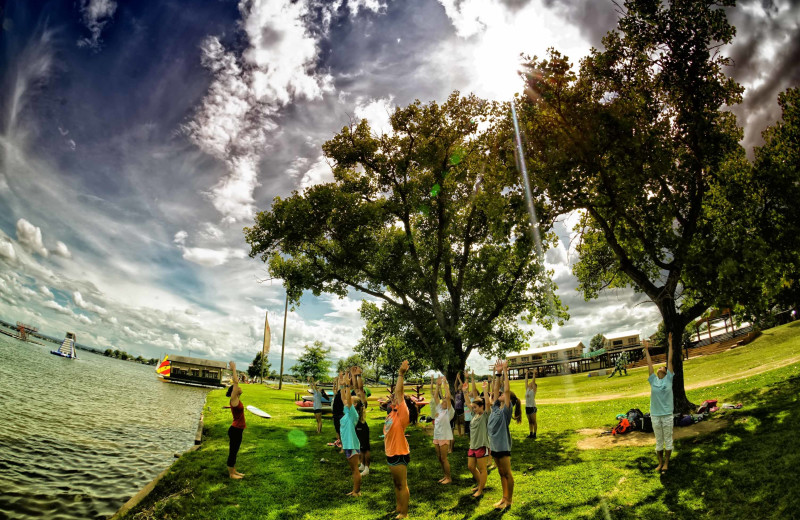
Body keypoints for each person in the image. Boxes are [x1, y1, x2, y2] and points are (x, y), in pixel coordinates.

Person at [488, 360, 521, 510]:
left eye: (503, 395)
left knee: (507, 473)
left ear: (511, 402)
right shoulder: (495, 407)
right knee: (501, 473)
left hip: (503, 446)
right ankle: (503, 497)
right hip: (494, 446)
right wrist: (498, 373)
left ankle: (509, 500)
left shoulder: (506, 411)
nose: (500, 394)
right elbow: (496, 390)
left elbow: (506, 391)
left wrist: (506, 372)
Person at [385, 360, 411, 519]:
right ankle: (399, 506)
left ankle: (404, 513)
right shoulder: (391, 413)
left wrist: (401, 374)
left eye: (395, 398)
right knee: (396, 484)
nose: (392, 398)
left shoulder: (402, 414)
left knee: (402, 484)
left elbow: (399, 393)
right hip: (391, 453)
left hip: (399, 453)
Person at [645, 333, 675, 475]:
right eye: (658, 368)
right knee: (659, 441)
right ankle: (660, 463)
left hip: (667, 415)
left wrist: (669, 344)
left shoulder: (669, 379)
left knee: (668, 440)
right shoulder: (653, 380)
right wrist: (646, 349)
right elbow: (649, 364)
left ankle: (667, 463)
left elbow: (669, 360)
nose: (659, 368)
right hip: (655, 415)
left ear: (665, 371)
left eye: (662, 368)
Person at [339, 368, 362, 496]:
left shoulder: (353, 414)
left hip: (352, 445)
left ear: (354, 406)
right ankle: (356, 490)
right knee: (353, 469)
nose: (347, 401)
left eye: (351, 401)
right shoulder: (347, 412)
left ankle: (357, 491)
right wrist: (342, 386)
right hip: (348, 445)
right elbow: (344, 398)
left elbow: (347, 399)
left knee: (355, 470)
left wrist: (348, 385)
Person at [467, 380, 491, 498]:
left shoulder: (485, 415)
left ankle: (480, 489)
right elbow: (468, 403)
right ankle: (480, 483)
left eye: (475, 407)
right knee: (471, 466)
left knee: (482, 469)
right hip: (473, 445)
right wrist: (465, 392)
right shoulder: (474, 415)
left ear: (481, 406)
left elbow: (487, 403)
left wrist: (485, 389)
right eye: (473, 407)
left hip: (481, 445)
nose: (474, 409)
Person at [431, 375, 455, 484]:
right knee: (439, 458)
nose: (443, 402)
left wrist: (445, 384)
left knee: (444, 458)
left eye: (445, 401)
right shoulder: (439, 409)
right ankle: (445, 476)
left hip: (444, 437)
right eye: (443, 401)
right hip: (436, 436)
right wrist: (437, 385)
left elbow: (448, 397)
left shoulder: (449, 411)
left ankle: (449, 478)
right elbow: (436, 397)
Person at [226, 361, 245, 479]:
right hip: (235, 429)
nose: (239, 387)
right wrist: (234, 368)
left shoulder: (236, 399)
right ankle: (231, 474)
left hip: (239, 429)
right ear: (234, 390)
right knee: (232, 451)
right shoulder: (234, 399)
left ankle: (234, 470)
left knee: (235, 451)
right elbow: (236, 381)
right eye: (237, 387)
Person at [353, 368, 371, 477]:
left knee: (365, 448)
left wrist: (359, 375)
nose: (358, 392)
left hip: (362, 426)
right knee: (361, 447)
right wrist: (354, 376)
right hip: (358, 426)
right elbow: (356, 387)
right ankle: (363, 464)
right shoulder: (357, 399)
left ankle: (367, 468)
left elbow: (359, 387)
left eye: (360, 391)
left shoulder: (362, 400)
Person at [332, 372, 344, 449]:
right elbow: (335, 389)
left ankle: (343, 445)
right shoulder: (338, 393)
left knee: (341, 431)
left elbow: (340, 387)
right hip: (336, 414)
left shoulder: (343, 392)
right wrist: (335, 382)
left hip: (340, 414)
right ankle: (339, 441)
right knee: (337, 430)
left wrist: (340, 379)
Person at [524, 369, 538, 439]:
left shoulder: (533, 391)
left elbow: (533, 381)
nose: (530, 384)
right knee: (529, 422)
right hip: (527, 407)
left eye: (531, 384)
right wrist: (526, 374)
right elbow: (526, 381)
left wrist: (534, 374)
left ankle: (535, 434)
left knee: (534, 421)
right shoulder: (527, 389)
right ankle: (531, 433)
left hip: (532, 407)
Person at [453, 372, 466, 437]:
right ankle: (460, 434)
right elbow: (455, 385)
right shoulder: (457, 392)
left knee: (463, 422)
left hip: (462, 409)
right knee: (457, 423)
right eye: (458, 386)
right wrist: (456, 378)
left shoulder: (463, 392)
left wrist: (459, 378)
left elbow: (462, 385)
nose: (458, 386)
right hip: (456, 409)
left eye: (460, 386)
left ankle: (464, 433)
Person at [464, 371, 476, 437]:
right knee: (468, 434)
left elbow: (473, 389)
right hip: (467, 418)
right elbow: (466, 388)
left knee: (473, 433)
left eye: (471, 391)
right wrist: (467, 379)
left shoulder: (474, 399)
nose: (470, 391)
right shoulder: (467, 398)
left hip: (472, 418)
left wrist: (472, 378)